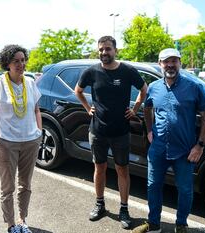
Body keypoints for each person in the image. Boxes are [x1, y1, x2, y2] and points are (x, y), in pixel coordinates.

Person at [132, 48, 205, 233]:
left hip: (185, 150)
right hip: (158, 148)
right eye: (166, 61)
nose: (170, 65)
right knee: (153, 186)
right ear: (160, 64)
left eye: (174, 61)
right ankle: (153, 224)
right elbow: (147, 109)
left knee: (185, 190)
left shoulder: (194, 87)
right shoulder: (153, 87)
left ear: (180, 63)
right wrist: (150, 130)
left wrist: (199, 146)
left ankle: (181, 224)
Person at [75, 36, 147, 229]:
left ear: (116, 50)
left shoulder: (127, 71)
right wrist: (87, 108)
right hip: (98, 130)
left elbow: (143, 89)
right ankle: (99, 205)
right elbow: (78, 91)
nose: (104, 53)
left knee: (123, 169)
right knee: (100, 168)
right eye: (101, 49)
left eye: (107, 49)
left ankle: (124, 209)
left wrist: (135, 109)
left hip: (121, 131)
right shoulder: (91, 71)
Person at [0, 45, 42, 233]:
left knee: (25, 185)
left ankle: (22, 220)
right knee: (7, 188)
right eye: (16, 61)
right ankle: (11, 225)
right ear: (7, 63)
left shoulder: (31, 82)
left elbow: (36, 109)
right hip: (6, 143)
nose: (21, 64)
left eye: (23, 60)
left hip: (30, 141)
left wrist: (39, 132)